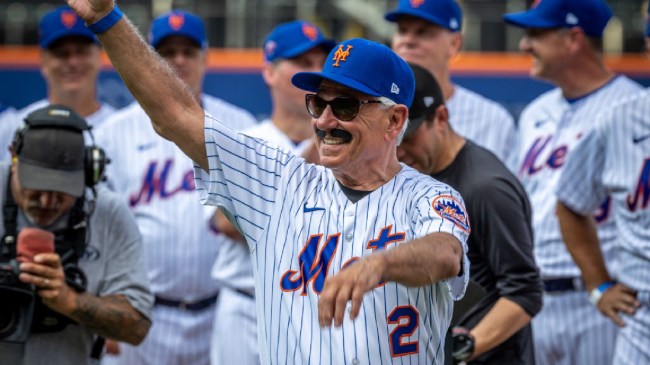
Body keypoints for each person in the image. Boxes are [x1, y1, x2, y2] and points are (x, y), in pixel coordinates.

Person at [64, 2, 472, 363]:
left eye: (345, 105)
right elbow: (177, 114)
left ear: (395, 120)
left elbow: (445, 255)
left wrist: (380, 263)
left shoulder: (431, 195)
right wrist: (107, 20)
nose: (326, 121)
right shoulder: (280, 183)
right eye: (319, 102)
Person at [95, 10, 257, 365]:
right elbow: (98, 225)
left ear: (205, 56)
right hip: (139, 315)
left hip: (219, 315)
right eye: (167, 52)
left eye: (188, 51)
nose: (179, 60)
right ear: (150, 59)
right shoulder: (114, 132)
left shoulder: (240, 125)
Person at [502, 1, 645, 364]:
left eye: (536, 34)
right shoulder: (535, 112)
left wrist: (599, 287)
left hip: (599, 304)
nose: (524, 44)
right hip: (534, 297)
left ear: (574, 38)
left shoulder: (630, 107)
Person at [397, 63, 542, 364]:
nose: (399, 150)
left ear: (441, 117)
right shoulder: (414, 176)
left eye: (408, 138)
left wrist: (465, 347)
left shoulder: (486, 187)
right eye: (393, 139)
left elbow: (525, 292)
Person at [209, 19, 335, 365]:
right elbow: (226, 223)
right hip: (248, 307)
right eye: (302, 63)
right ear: (270, 73)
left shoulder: (345, 145)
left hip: (314, 311)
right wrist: (311, 156)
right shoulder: (246, 141)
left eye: (320, 63)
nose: (315, 72)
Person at [0, 105, 153, 365]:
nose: (47, 201)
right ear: (14, 157)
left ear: (89, 172)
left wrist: (69, 300)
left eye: (62, 190)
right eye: (35, 185)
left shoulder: (108, 212)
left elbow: (137, 327)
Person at [385, 0, 517, 164]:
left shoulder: (493, 120)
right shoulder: (373, 109)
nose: (408, 41)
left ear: (455, 44)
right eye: (402, 30)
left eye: (423, 32)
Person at [0, 6, 115, 162]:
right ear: (43, 61)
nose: (73, 62)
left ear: (98, 56)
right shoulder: (16, 126)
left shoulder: (120, 127)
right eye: (61, 53)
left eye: (81, 51)